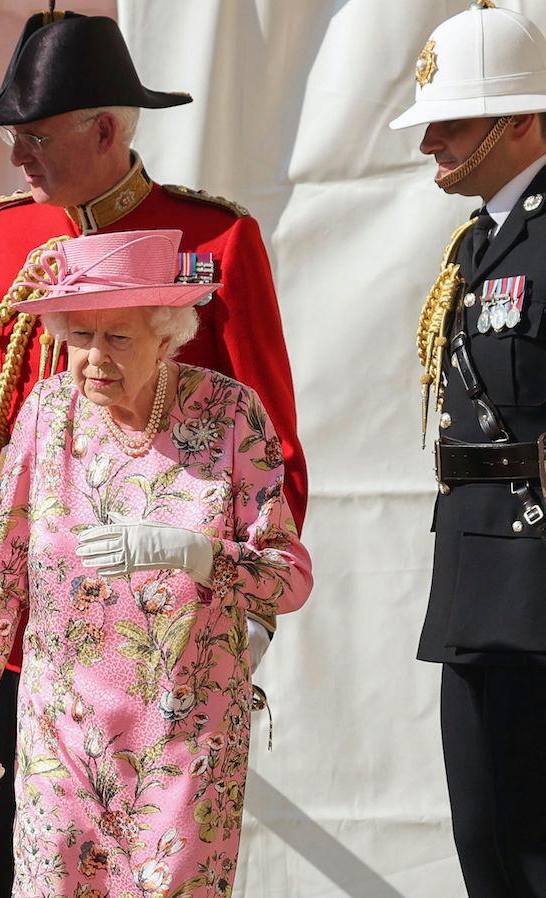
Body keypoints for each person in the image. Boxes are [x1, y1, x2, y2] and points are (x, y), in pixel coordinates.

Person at [0, 10, 308, 894]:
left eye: (36, 135)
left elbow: (269, 437)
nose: (19, 158)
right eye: (13, 137)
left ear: (104, 129)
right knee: (20, 861)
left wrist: (247, 605)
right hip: (40, 623)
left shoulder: (215, 240)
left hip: (171, 629)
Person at [0, 229, 313, 897]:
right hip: (62, 731)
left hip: (186, 735)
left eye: (118, 338)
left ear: (167, 334)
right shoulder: (45, 415)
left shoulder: (231, 416)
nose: (93, 358)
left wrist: (193, 553)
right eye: (79, 336)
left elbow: (287, 576)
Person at [390, 4, 546, 895]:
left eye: (450, 122)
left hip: (536, 583)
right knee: (485, 842)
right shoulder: (484, 239)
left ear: (520, 119)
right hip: (480, 581)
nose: (429, 145)